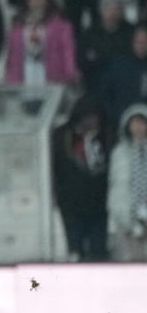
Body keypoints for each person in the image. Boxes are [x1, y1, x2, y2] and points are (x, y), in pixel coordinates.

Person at [51, 94, 109, 262]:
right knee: (75, 251)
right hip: (71, 205)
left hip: (99, 204)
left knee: (98, 252)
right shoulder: (61, 136)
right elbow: (55, 167)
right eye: (89, 117)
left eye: (96, 117)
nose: (93, 121)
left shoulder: (105, 135)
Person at [3, 0, 80, 93]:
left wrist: (70, 75)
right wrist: (9, 79)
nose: (36, 3)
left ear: (47, 0)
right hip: (23, 84)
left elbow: (68, 53)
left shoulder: (62, 27)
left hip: (53, 83)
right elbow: (11, 57)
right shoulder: (17, 28)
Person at [107, 104, 147, 261]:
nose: (139, 128)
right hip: (126, 220)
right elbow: (117, 187)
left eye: (142, 123)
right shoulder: (120, 152)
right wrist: (127, 220)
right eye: (134, 123)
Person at [77, 0, 133, 98]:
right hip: (96, 85)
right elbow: (82, 61)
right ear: (101, 10)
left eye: (116, 9)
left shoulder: (131, 32)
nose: (112, 13)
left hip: (124, 85)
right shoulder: (89, 34)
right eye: (108, 9)